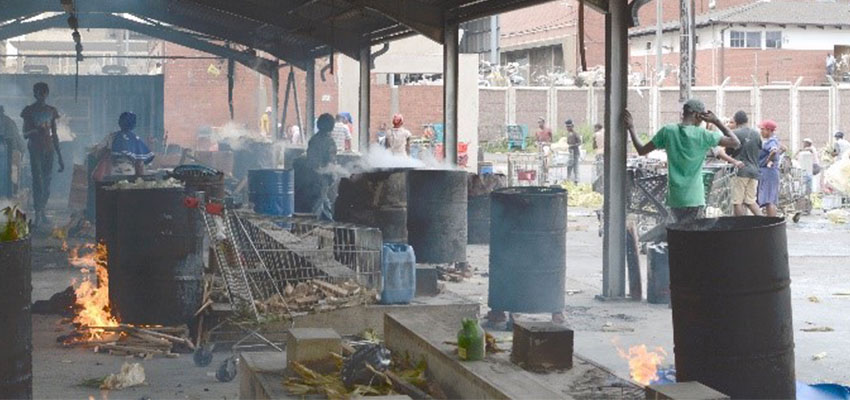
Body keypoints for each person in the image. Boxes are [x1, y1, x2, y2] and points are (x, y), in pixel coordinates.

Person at [625, 99, 741, 224]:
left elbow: (642, 150)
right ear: (697, 115)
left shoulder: (668, 131)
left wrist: (631, 127)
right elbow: (735, 142)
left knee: (678, 236)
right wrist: (716, 121)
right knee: (692, 238)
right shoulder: (703, 135)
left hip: (675, 198)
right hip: (695, 197)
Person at [21, 82, 64, 226]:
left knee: (47, 182)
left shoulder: (51, 111)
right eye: (39, 92)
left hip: (49, 149)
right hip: (35, 149)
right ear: (35, 94)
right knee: (38, 180)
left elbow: (55, 134)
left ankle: (42, 210)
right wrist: (34, 131)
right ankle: (38, 212)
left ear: (46, 94)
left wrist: (60, 156)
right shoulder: (28, 111)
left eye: (44, 92)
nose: (41, 95)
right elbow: (25, 134)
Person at [716, 111, 762, 216]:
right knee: (750, 201)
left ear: (736, 121)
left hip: (740, 171)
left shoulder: (735, 134)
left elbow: (728, 153)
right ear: (747, 120)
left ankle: (740, 226)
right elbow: (759, 150)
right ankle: (765, 223)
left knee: (737, 202)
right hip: (754, 171)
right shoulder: (756, 134)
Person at [92, 112, 154, 179]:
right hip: (130, 176)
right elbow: (139, 164)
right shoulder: (136, 139)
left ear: (119, 122)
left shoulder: (111, 136)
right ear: (134, 125)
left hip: (112, 174)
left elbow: (97, 152)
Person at [306, 113, 338, 219]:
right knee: (318, 204)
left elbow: (310, 159)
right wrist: (333, 176)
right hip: (322, 177)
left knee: (322, 201)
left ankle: (329, 223)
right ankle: (313, 226)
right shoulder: (329, 142)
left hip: (311, 175)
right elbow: (331, 161)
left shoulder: (314, 139)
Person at [757, 120, 783, 217]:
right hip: (770, 171)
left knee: (769, 200)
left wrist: (768, 160)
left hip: (768, 172)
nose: (761, 132)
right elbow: (783, 148)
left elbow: (774, 151)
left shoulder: (771, 141)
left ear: (769, 130)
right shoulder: (774, 140)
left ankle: (772, 222)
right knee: (769, 199)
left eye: (762, 129)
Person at [1, 106, 25, 198]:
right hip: (9, 153)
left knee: (9, 174)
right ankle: (8, 195)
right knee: (9, 175)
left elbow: (16, 139)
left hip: (8, 153)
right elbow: (18, 139)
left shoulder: (9, 122)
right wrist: (22, 150)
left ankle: (8, 195)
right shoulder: (9, 121)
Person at [566, 119, 581, 183]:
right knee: (569, 166)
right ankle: (568, 178)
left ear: (572, 126)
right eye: (567, 127)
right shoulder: (568, 134)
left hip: (575, 152)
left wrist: (573, 145)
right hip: (570, 153)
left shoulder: (575, 133)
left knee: (575, 167)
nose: (568, 128)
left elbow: (580, 142)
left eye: (569, 126)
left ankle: (576, 179)